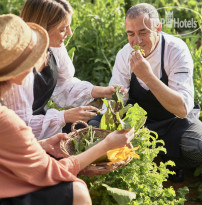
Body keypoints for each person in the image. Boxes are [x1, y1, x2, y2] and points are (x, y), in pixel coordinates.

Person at [0, 14, 135, 205]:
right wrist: (106, 145)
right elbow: (55, 172)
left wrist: (41, 145)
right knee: (77, 190)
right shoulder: (8, 121)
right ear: (20, 71)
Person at [102, 3, 202, 182]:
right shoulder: (124, 55)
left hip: (174, 122)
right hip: (139, 124)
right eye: (131, 34)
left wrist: (147, 76)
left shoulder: (176, 50)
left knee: (200, 147)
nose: (137, 41)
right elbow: (117, 102)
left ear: (158, 28)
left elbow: (181, 109)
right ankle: (142, 163)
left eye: (143, 32)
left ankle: (173, 162)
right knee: (91, 127)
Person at [4, 0, 126, 140]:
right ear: (41, 28)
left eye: (69, 26)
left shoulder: (53, 49)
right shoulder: (19, 67)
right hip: (19, 135)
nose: (70, 33)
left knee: (93, 129)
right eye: (63, 29)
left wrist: (101, 91)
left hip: (41, 121)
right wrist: (64, 116)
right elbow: (18, 124)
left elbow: (64, 84)